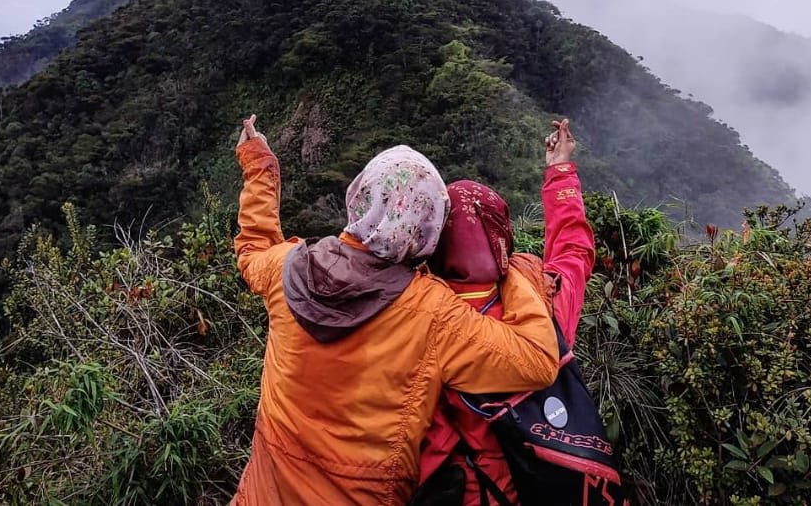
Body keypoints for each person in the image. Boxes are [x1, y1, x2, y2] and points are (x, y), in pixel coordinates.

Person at [230, 115, 559, 506]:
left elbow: (252, 248)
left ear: (360, 197)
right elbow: (537, 361)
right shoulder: (432, 313)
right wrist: (510, 271)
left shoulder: (287, 267)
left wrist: (259, 163)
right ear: (428, 230)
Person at [417, 119, 596, 504]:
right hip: (540, 485)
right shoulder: (542, 300)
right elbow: (574, 253)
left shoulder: (413, 318)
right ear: (501, 238)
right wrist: (560, 170)